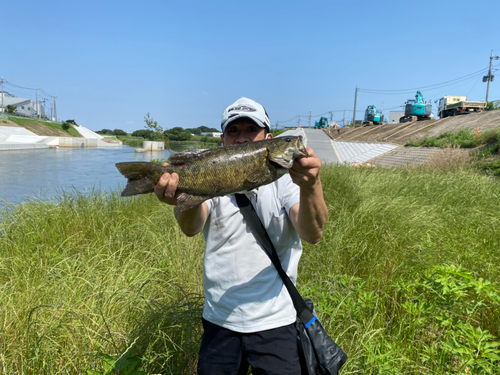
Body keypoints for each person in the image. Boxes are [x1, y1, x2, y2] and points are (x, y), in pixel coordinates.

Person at [154, 97, 328, 374]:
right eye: (233, 131)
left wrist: (311, 186)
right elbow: (191, 227)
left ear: (267, 138)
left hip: (277, 321)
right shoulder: (213, 172)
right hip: (219, 320)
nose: (241, 138)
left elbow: (313, 234)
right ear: (222, 139)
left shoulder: (285, 179)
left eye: (251, 130)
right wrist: (179, 197)